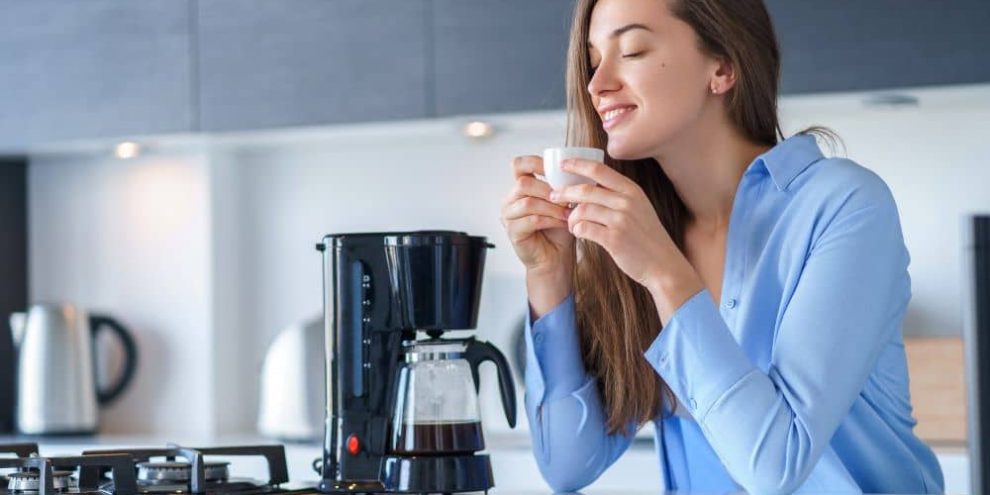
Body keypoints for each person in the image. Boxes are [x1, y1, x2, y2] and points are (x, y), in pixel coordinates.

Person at [499, 0, 945, 493]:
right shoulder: (638, 236)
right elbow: (567, 466)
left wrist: (665, 274)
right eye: (592, 60)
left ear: (723, 66)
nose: (596, 84)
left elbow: (776, 465)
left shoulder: (843, 205)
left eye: (632, 50)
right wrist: (549, 273)